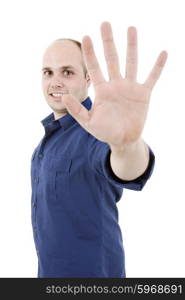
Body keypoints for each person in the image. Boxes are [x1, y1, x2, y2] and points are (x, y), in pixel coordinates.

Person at [31, 22, 167, 278]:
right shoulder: (44, 144)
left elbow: (126, 167)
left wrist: (125, 144)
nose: (55, 81)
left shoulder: (97, 132)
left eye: (67, 72)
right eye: (48, 72)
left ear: (88, 78)